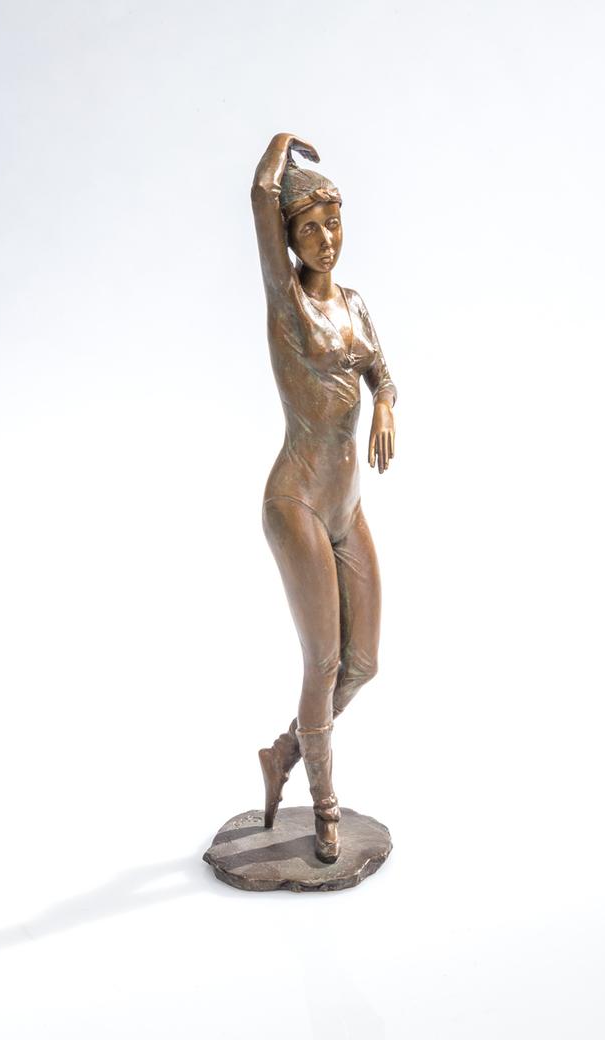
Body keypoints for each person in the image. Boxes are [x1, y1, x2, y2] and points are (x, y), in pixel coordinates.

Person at [251, 133, 397, 863]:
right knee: (324, 664)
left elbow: (381, 373)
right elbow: (259, 195)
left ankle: (284, 751)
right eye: (308, 228)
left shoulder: (356, 304)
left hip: (347, 507)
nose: (324, 239)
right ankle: (324, 806)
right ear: (289, 239)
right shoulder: (288, 302)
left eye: (332, 223)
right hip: (298, 502)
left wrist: (386, 407)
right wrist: (282, 144)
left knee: (363, 663)